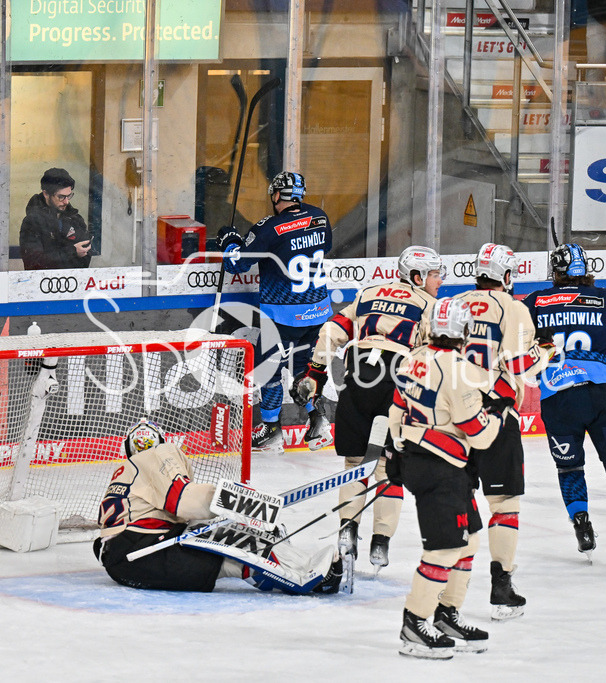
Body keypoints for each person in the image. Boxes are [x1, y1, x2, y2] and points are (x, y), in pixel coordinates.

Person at [297, 246, 444, 574]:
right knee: (387, 467)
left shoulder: (367, 292)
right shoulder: (430, 305)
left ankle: (348, 531)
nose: (440, 280)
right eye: (435, 274)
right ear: (417, 276)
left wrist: (316, 373)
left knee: (354, 464)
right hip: (395, 384)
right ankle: (381, 542)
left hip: (358, 380)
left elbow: (331, 331)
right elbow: (435, 355)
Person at [522, 244, 606, 570]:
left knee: (570, 468)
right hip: (602, 397)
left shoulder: (535, 302)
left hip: (558, 397)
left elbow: (516, 344)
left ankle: (582, 526)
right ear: (585, 270)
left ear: (555, 272)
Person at [95, 420, 344, 594]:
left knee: (219, 543)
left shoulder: (125, 473)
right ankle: (313, 578)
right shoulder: (158, 454)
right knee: (229, 542)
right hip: (143, 551)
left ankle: (285, 555)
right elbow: (185, 501)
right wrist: (239, 503)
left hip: (123, 564)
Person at [388, 298, 501, 659]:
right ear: (462, 330)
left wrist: (399, 449)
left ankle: (446, 614)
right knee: (445, 548)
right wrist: (498, 413)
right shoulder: (458, 369)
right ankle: (414, 623)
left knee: (468, 540)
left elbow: (395, 408)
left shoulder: (411, 357)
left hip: (428, 461)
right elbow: (479, 434)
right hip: (441, 467)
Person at [453, 243, 554, 620]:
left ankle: (450, 592)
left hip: (453, 418)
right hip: (496, 416)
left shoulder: (453, 302)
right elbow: (521, 365)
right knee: (504, 505)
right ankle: (501, 586)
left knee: (459, 502)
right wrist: (546, 351)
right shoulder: (514, 308)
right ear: (506, 276)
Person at [217, 171, 333, 455]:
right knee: (302, 369)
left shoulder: (269, 226)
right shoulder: (320, 216)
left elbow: (237, 264)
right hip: (316, 311)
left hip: (283, 315)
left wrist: (229, 241)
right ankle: (319, 423)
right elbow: (324, 246)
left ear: (278, 195)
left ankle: (271, 431)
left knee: (269, 369)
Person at [19, 167, 92, 270]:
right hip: (42, 284)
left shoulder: (75, 219)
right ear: (46, 194)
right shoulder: (32, 222)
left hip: (73, 282)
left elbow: (85, 258)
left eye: (69, 196)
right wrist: (72, 252)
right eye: (61, 197)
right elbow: (34, 262)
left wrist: (58, 258)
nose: (66, 201)